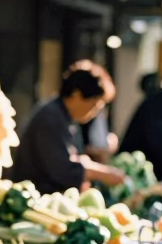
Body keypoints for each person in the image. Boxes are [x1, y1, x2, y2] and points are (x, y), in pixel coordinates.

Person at [12, 61, 126, 193]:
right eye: (94, 105)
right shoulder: (50, 118)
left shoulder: (64, 116)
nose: (94, 112)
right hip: (32, 197)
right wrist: (101, 174)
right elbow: (62, 169)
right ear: (76, 94)